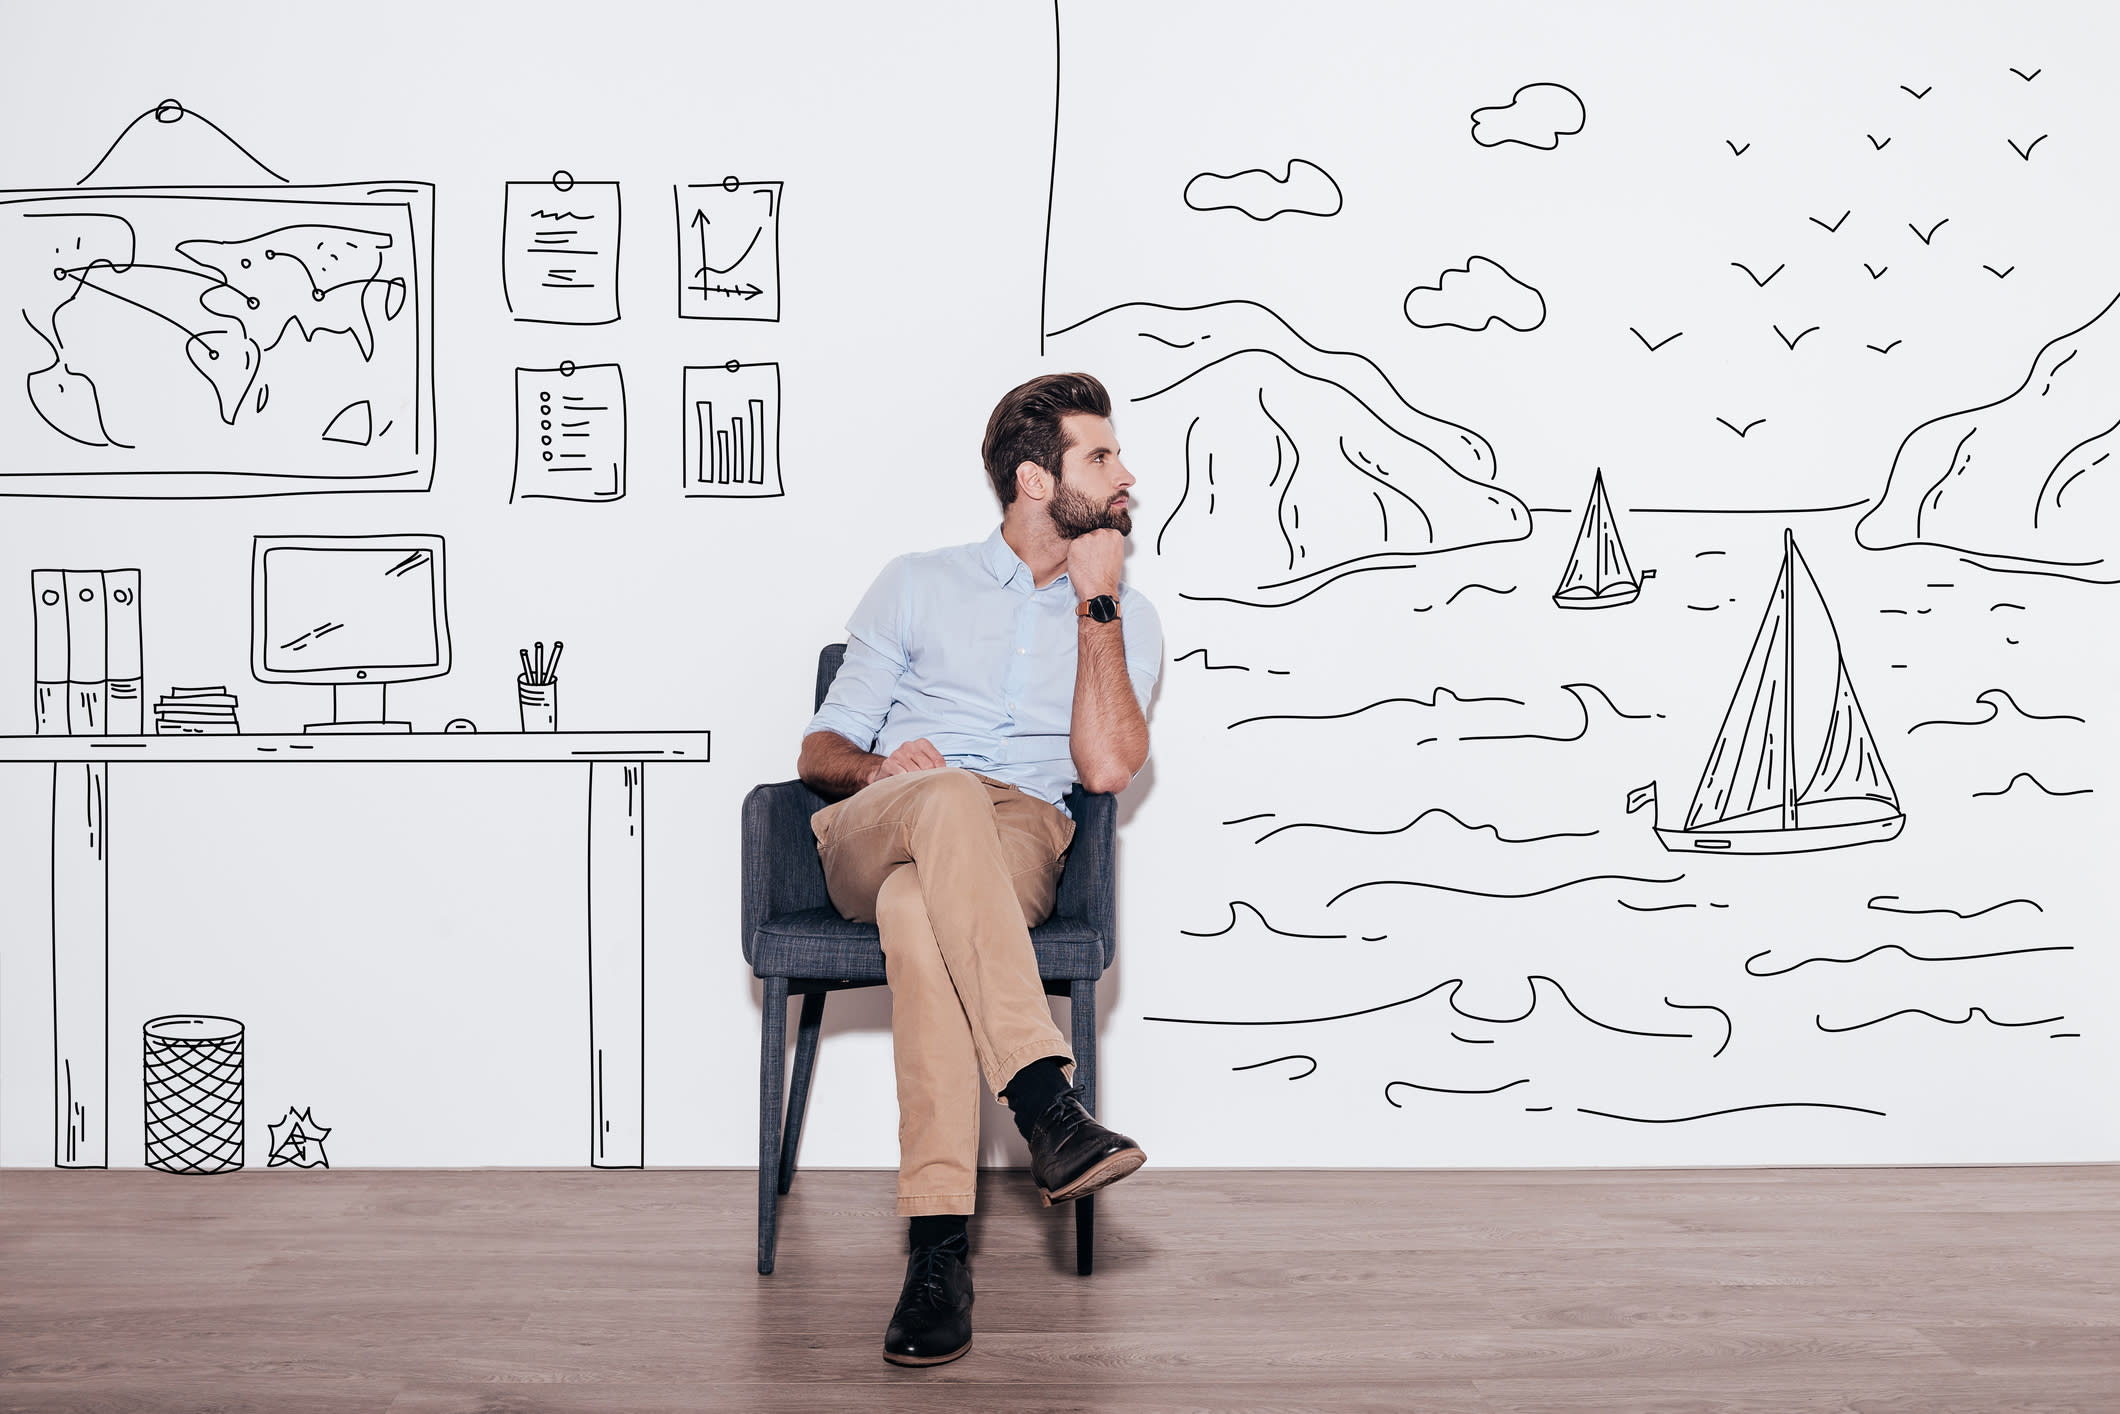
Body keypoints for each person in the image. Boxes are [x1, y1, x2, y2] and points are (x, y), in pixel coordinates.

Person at [797, 371, 1162, 1366]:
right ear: (1036, 481)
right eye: (1100, 456)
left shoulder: (1124, 618)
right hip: (884, 818)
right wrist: (881, 767)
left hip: (1017, 840)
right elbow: (817, 751)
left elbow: (1104, 769)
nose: (1126, 474)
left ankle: (935, 1253)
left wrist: (1096, 604)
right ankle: (1045, 1101)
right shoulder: (918, 580)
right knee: (944, 800)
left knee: (923, 914)